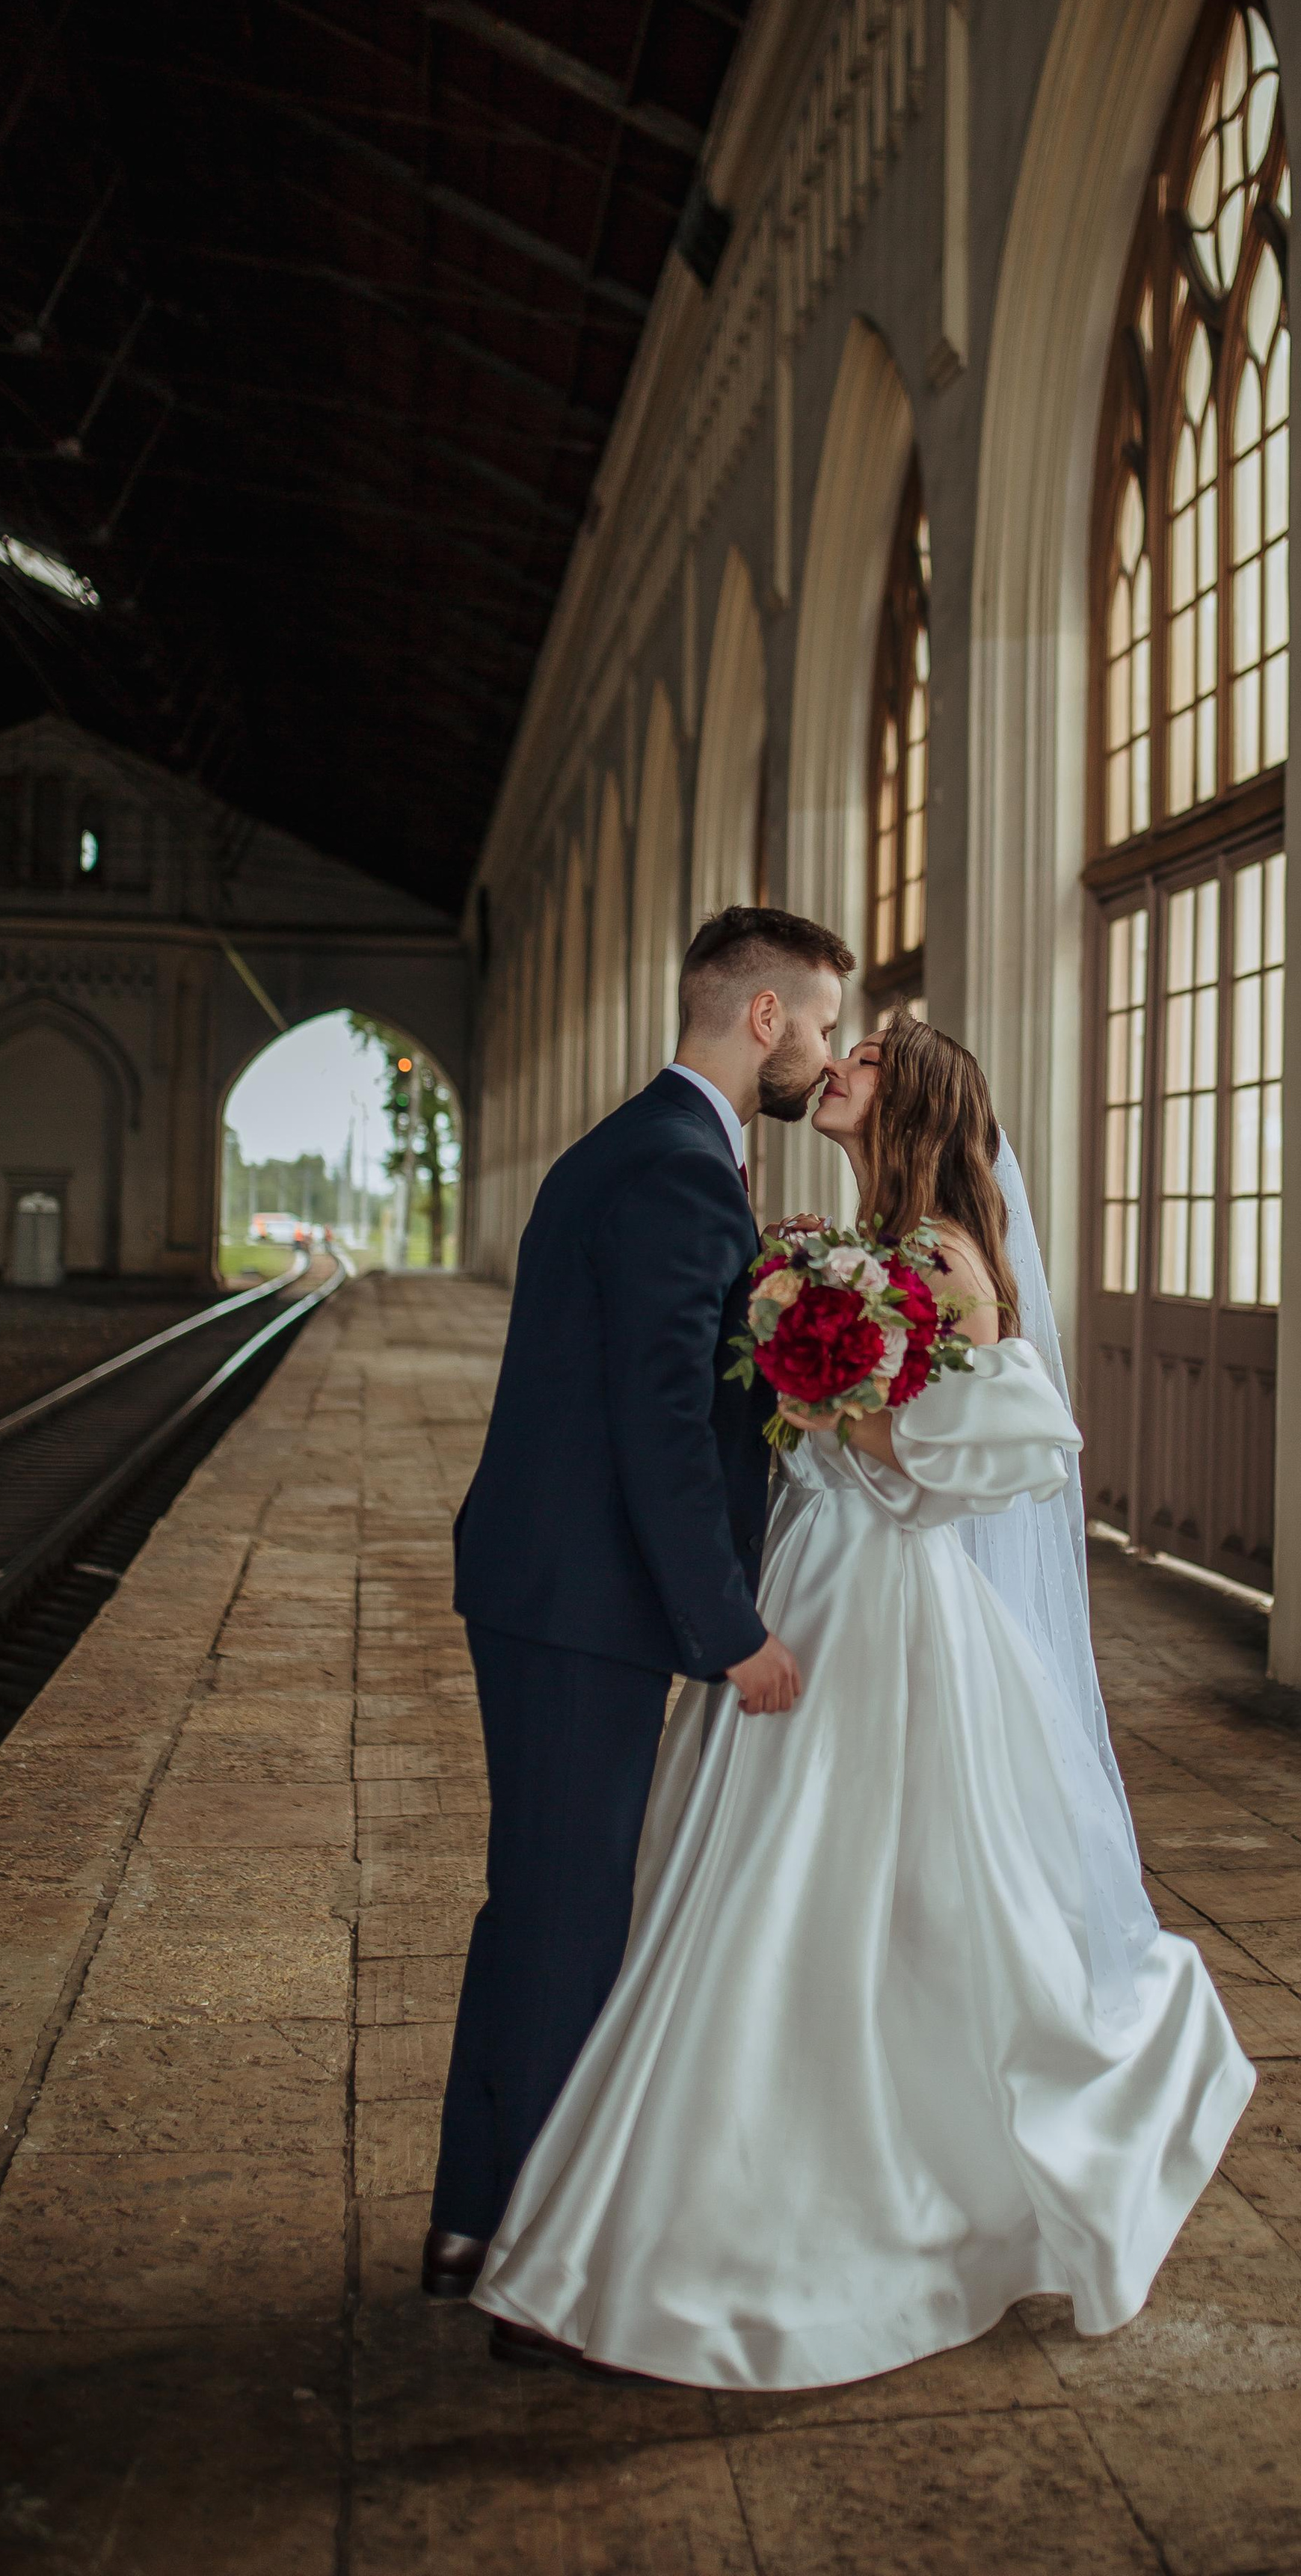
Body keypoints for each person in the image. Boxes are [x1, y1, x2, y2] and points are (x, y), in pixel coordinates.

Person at [470, 1012, 1255, 2385]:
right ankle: (705, 2225)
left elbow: (1019, 1449)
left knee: (843, 1901)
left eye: (874, 1056)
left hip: (887, 1606)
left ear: (922, 1099)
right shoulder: (832, 1246)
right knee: (765, 1897)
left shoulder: (946, 1255)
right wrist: (806, 1371)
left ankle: (815, 2223)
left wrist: (839, 1407)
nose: (843, 1063)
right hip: (804, 1581)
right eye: (848, 1041)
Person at [420, 906, 855, 2300]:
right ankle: (535, 2255)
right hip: (582, 1599)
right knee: (564, 1918)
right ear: (767, 1019)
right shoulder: (674, 1169)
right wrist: (730, 1629)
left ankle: (476, 2221)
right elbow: (661, 1424)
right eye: (827, 1024)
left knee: (537, 1906)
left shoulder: (650, 1148)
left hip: (555, 1587)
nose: (830, 1052)